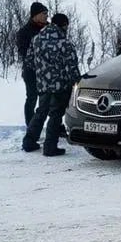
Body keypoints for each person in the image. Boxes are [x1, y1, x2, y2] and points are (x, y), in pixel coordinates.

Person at [22, 13, 80, 156]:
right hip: (60, 85)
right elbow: (71, 67)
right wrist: (76, 82)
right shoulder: (64, 43)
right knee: (55, 114)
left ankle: (29, 141)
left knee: (41, 111)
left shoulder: (36, 39)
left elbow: (29, 62)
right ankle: (50, 147)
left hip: (42, 83)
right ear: (63, 25)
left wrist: (42, 73)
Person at [15, 2, 49, 127]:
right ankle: (30, 126)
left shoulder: (49, 29)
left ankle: (54, 125)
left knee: (50, 100)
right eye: (44, 13)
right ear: (35, 15)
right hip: (31, 72)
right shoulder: (24, 32)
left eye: (47, 14)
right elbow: (24, 53)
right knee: (32, 98)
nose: (46, 16)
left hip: (49, 73)